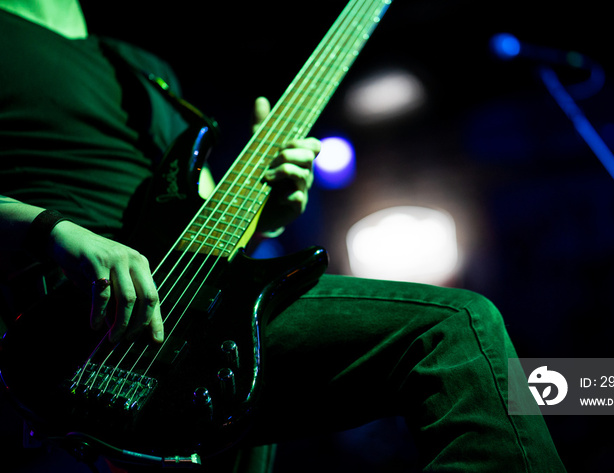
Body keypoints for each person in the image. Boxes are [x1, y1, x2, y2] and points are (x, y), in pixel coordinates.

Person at [0, 1, 567, 472]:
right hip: (75, 318)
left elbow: (199, 218)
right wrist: (51, 229)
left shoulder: (146, 70)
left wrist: (265, 216)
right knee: (453, 328)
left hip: (195, 310)